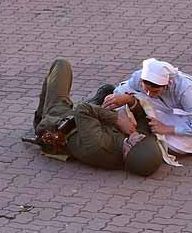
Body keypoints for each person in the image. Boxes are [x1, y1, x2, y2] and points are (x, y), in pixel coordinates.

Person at [32, 59, 163, 176]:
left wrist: (118, 119)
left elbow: (82, 110)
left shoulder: (98, 145)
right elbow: (142, 119)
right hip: (87, 122)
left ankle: (40, 118)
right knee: (108, 90)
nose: (139, 135)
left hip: (59, 120)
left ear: (129, 150)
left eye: (138, 140)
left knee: (61, 65)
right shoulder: (137, 151)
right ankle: (96, 102)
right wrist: (130, 101)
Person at [102, 57, 192, 154]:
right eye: (145, 89)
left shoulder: (186, 90)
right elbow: (121, 90)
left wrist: (166, 129)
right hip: (170, 107)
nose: (149, 95)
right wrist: (120, 100)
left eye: (155, 91)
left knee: (170, 141)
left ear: (166, 85)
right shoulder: (138, 78)